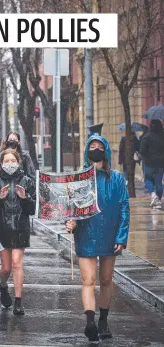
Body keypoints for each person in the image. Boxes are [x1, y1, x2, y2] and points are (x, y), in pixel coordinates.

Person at [65, 134, 129, 342]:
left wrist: (121, 236)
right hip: (86, 235)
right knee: (88, 280)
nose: (95, 149)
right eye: (91, 146)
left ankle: (103, 319)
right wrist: (70, 222)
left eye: (99, 146)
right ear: (86, 151)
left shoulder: (117, 179)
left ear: (106, 150)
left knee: (106, 279)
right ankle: (90, 322)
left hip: (110, 236)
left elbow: (124, 209)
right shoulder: (80, 178)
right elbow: (71, 208)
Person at [0, 149, 36, 316]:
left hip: (20, 227)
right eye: (6, 161)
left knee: (17, 262)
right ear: (1, 164)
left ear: (18, 163)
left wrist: (25, 198)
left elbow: (32, 210)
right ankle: (3, 286)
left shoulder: (27, 182)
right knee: (6, 268)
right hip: (1, 228)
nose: (10, 164)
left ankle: (18, 301)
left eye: (13, 161)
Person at [139, 119, 164, 208]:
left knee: (148, 180)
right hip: (161, 164)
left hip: (149, 163)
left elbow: (142, 150)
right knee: (159, 182)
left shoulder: (147, 136)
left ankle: (153, 194)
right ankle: (159, 201)